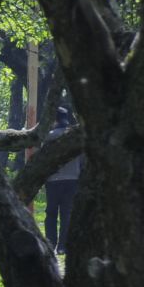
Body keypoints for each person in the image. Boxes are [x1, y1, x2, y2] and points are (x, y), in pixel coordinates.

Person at [45, 104, 82, 254]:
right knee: (67, 214)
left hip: (53, 180)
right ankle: (62, 246)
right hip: (72, 179)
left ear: (55, 120)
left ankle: (50, 243)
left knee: (51, 213)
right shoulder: (75, 136)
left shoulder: (50, 136)